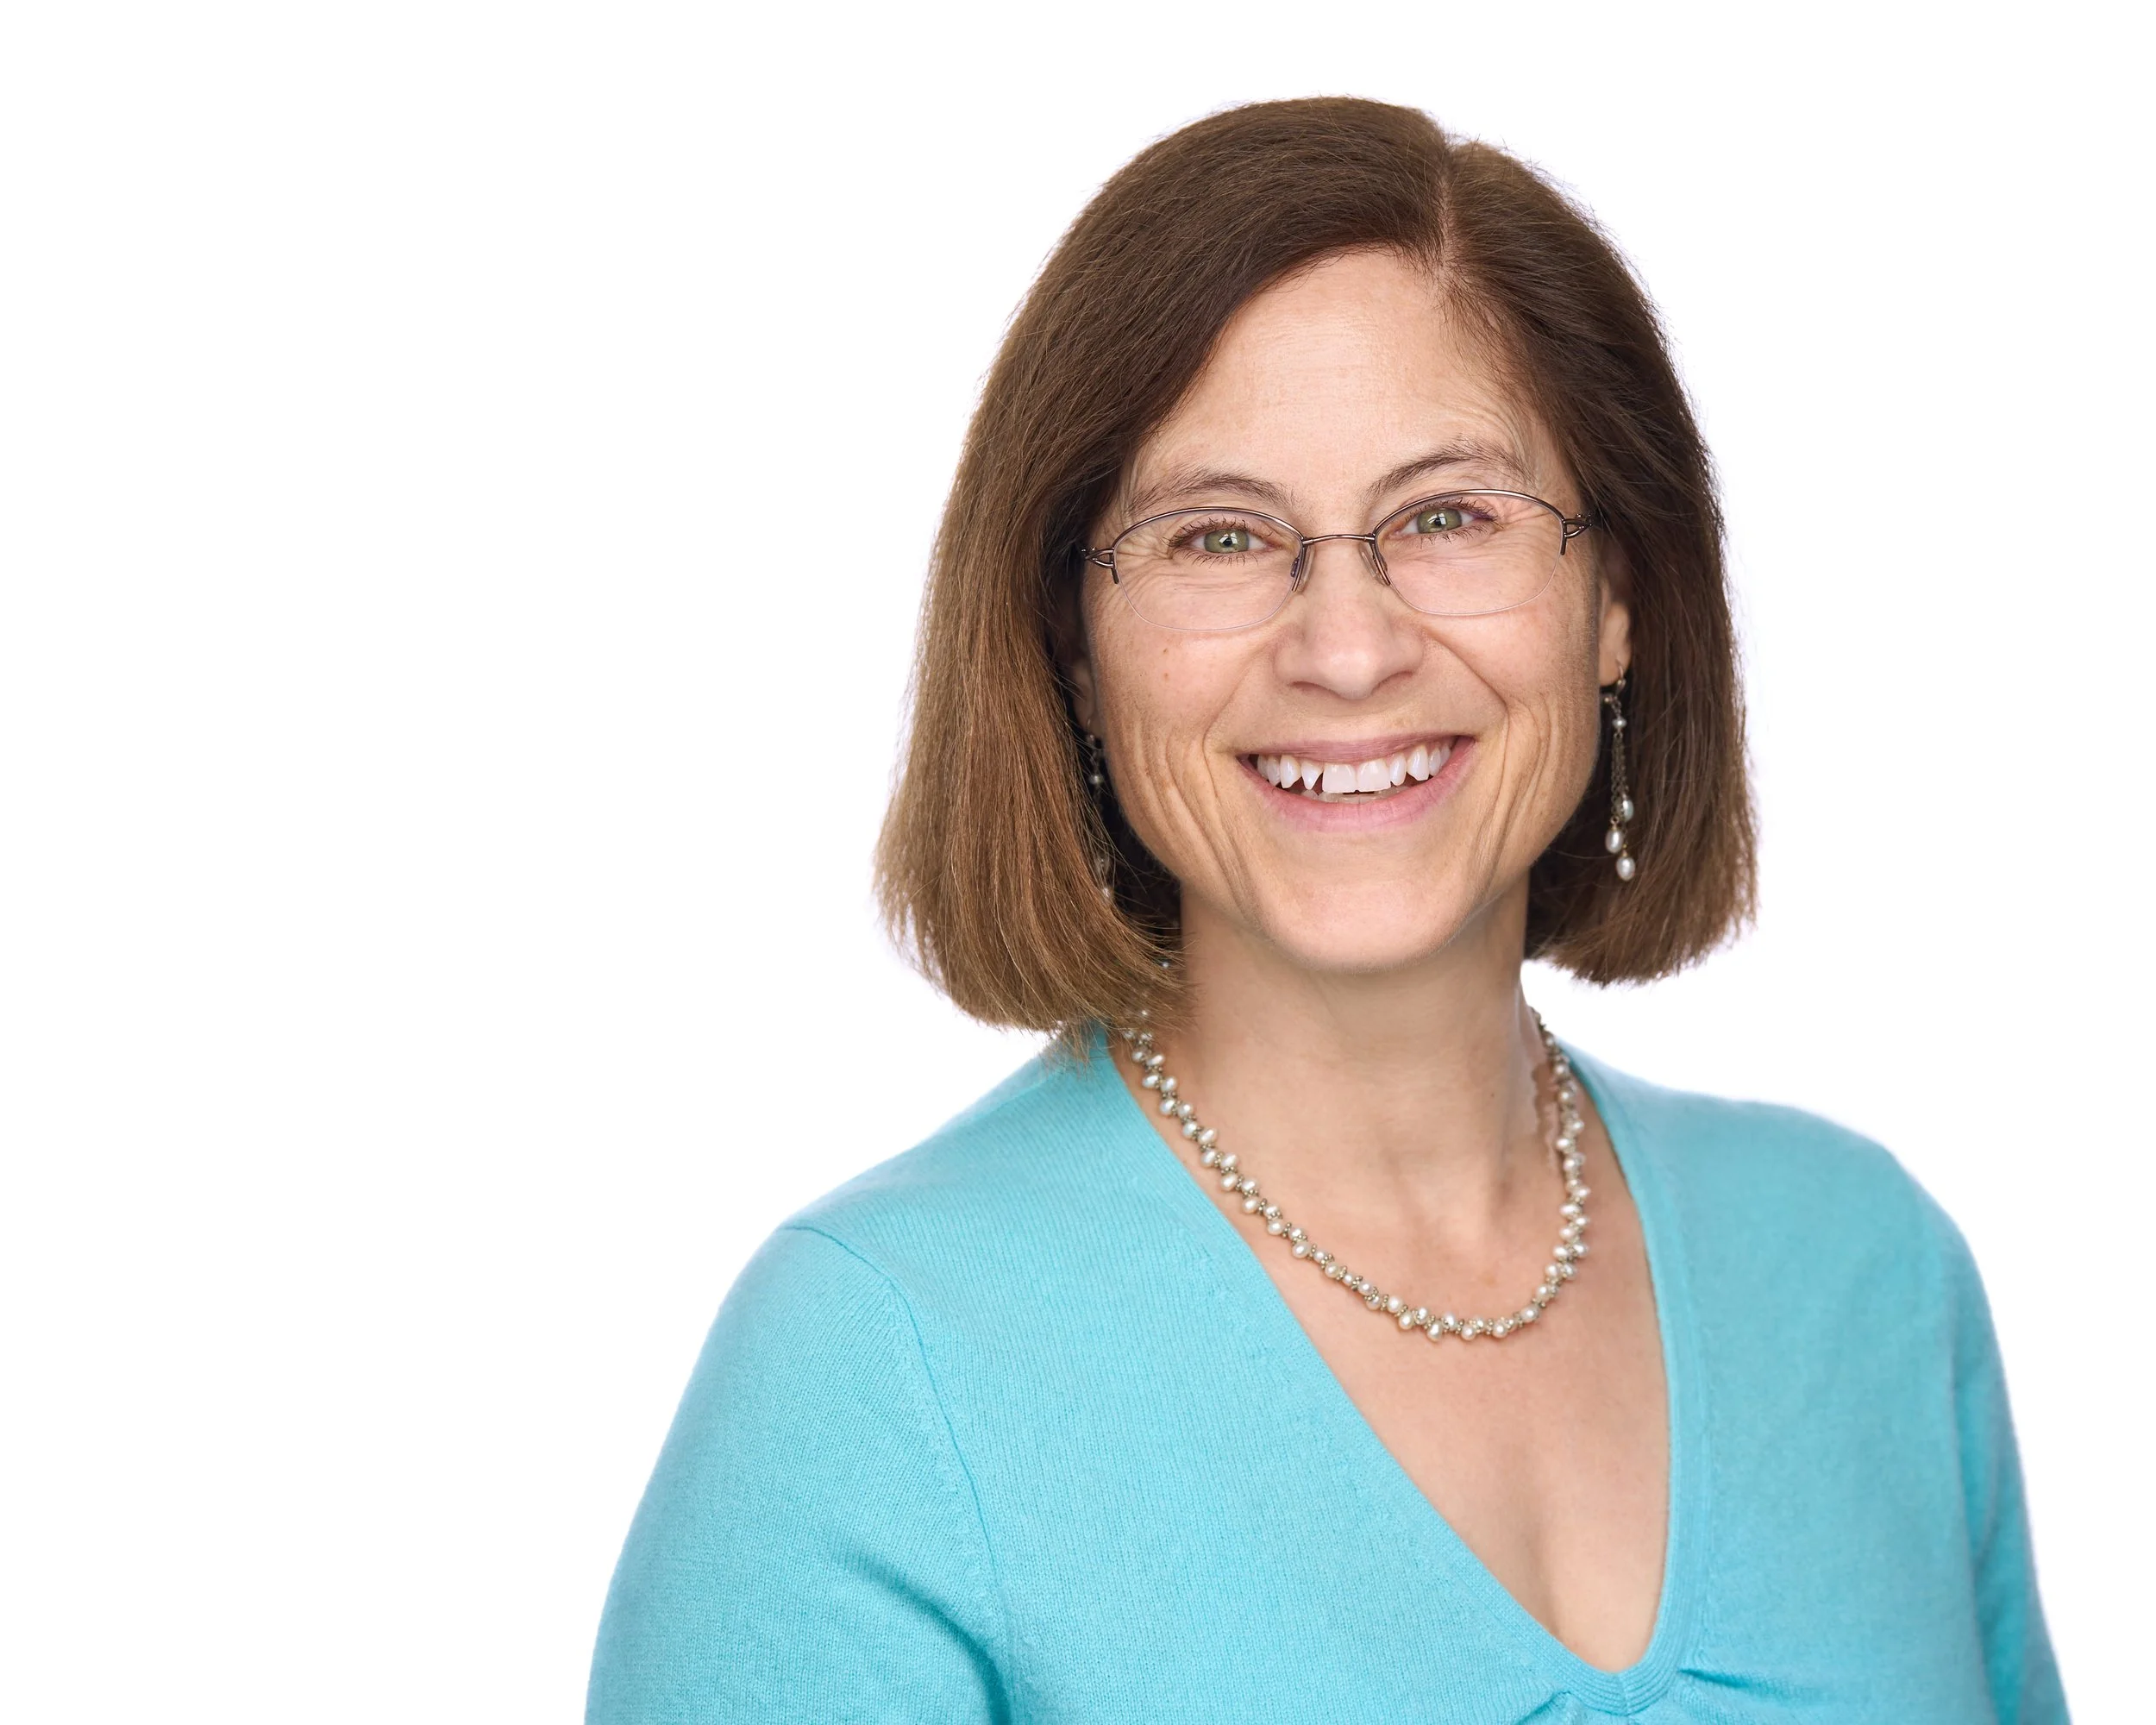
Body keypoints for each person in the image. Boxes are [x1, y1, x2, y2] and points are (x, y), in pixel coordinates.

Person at [586, 97, 2065, 1722]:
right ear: (1074, 648)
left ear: (1619, 600)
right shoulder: (874, 1373)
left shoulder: (1871, 1279)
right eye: (1219, 537)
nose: (1347, 649)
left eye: (1449, 518)